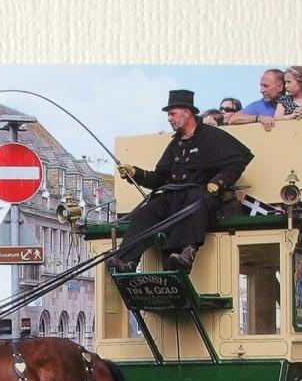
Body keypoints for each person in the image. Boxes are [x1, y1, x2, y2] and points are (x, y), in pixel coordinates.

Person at [108, 89, 254, 273]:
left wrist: (218, 182)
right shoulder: (175, 144)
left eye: (172, 114)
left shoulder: (211, 136)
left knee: (195, 201)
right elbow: (159, 179)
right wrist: (135, 173)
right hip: (173, 196)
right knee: (144, 214)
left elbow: (238, 161)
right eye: (168, 115)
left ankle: (187, 253)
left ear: (187, 112)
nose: (169, 118)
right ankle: (128, 262)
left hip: (201, 195)